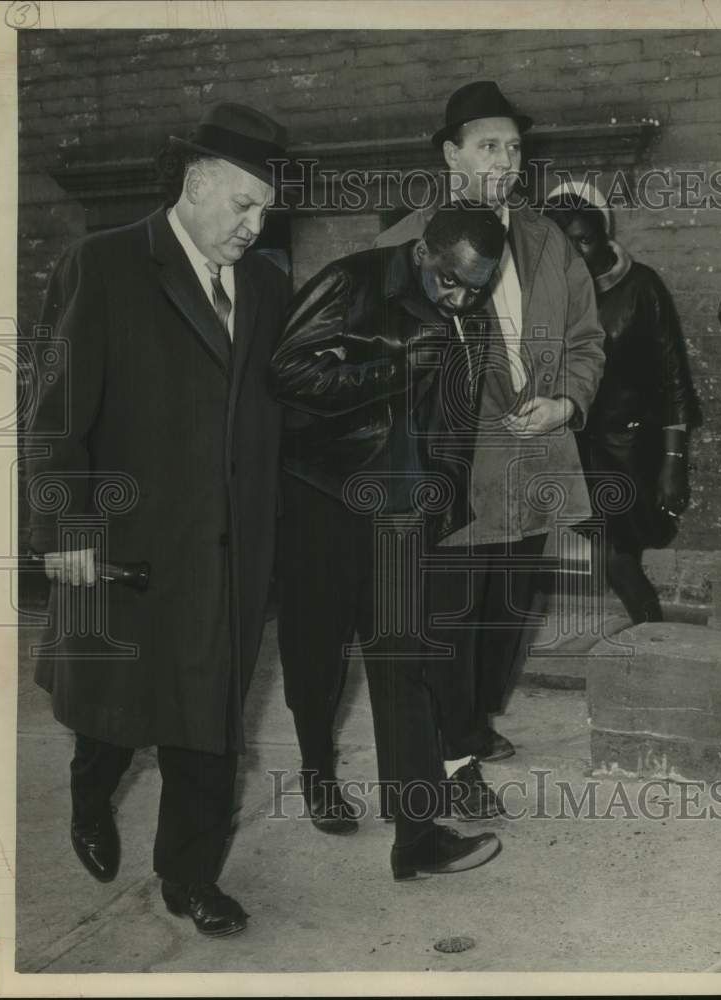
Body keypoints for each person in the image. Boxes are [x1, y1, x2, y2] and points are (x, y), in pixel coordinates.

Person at [25, 102, 292, 937]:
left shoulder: (270, 284)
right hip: (128, 543)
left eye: (266, 212)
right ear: (197, 180)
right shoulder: (102, 264)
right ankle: (90, 792)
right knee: (114, 713)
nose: (255, 226)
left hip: (230, 551)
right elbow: (56, 414)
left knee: (209, 719)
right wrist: (66, 527)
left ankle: (189, 877)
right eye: (244, 204)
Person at [270, 201, 507, 880]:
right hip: (325, 496)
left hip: (405, 512)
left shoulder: (473, 317)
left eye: (478, 286)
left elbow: (459, 423)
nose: (462, 296)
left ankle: (418, 836)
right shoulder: (352, 282)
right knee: (317, 654)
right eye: (451, 280)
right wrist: (395, 365)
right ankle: (318, 770)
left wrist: (446, 503)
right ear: (425, 251)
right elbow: (284, 374)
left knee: (405, 669)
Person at [375, 81, 605, 771]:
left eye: (513, 146)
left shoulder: (550, 240)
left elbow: (588, 339)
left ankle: (472, 721)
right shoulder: (403, 243)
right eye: (487, 146)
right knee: (448, 616)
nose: (504, 159)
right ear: (452, 155)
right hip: (456, 468)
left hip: (536, 460)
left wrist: (565, 402)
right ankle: (450, 754)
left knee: (506, 616)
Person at [543, 181, 700, 623]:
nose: (574, 253)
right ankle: (652, 634)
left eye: (584, 240)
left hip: (630, 448)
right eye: (561, 244)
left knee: (617, 553)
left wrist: (674, 460)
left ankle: (653, 634)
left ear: (604, 233)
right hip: (576, 448)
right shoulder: (552, 296)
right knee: (611, 552)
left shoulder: (642, 286)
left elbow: (674, 381)